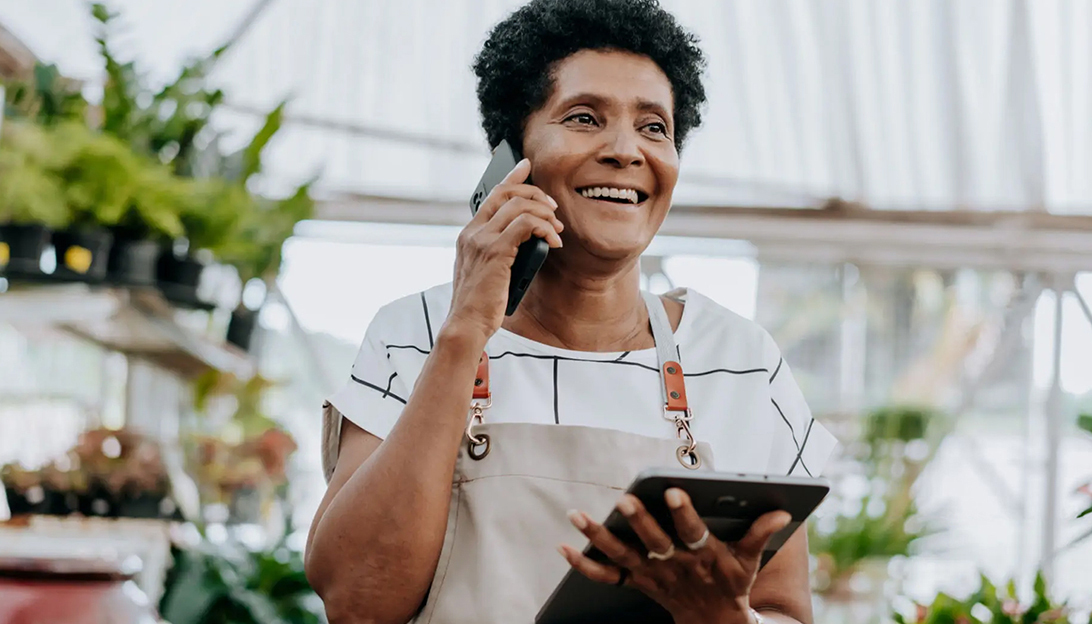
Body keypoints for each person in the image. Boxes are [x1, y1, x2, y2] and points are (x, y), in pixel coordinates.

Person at [304, 1, 837, 622]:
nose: (625, 150)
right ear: (510, 156)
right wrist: (464, 335)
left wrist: (723, 618)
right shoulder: (413, 335)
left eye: (654, 127)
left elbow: (786, 612)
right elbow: (357, 601)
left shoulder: (743, 364)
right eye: (584, 118)